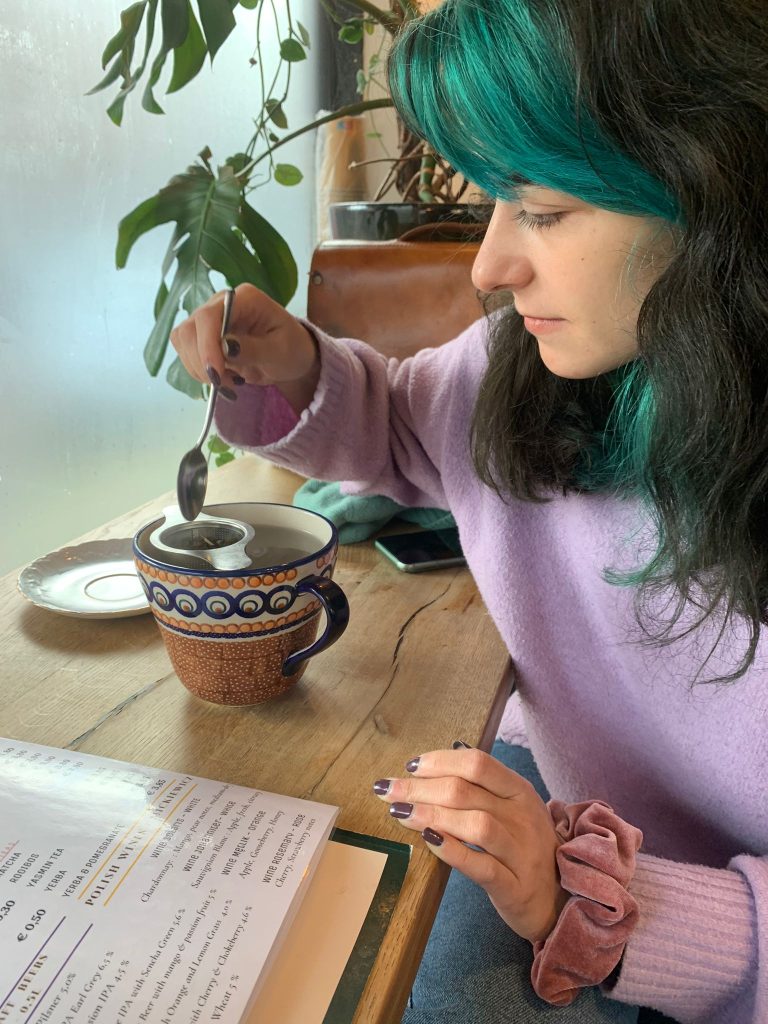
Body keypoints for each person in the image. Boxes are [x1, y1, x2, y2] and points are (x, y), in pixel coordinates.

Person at [169, 1, 768, 1021]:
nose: (489, 266)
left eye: (540, 208)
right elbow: (401, 423)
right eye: (495, 202)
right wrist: (290, 366)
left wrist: (589, 904)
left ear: (712, 188)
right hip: (548, 826)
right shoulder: (522, 366)